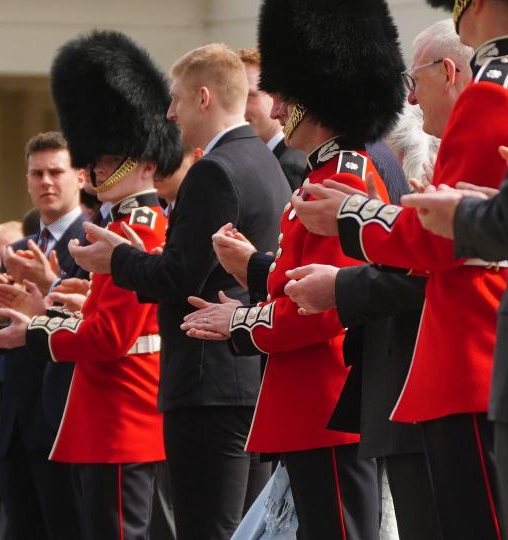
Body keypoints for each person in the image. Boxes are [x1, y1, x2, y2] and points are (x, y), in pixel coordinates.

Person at [182, 0, 405, 536]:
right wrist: (255, 271)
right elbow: (299, 277)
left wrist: (238, 323)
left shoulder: (343, 178)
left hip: (326, 403)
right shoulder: (320, 175)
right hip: (309, 406)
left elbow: (322, 309)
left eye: (284, 98)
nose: (277, 111)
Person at [294, 1, 508, 536]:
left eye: (417, 80)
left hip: (470, 360)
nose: (410, 97)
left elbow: (443, 241)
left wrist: (350, 214)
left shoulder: (492, 91)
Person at [68, 42, 290, 539]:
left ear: (204, 98)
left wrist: (115, 259)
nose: (170, 114)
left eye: (176, 101)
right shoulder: (263, 159)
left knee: (207, 528)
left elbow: (178, 275)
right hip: (245, 374)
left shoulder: (214, 169)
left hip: (206, 380)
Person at [0, 30, 179, 540]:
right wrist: (46, 312)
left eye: (108, 158)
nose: (97, 167)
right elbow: (98, 320)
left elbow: (108, 337)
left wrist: (34, 329)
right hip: (113, 416)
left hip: (122, 418)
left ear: (144, 162)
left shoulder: (135, 231)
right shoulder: (126, 227)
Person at [0, 131, 88, 540]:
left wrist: (49, 291)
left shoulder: (96, 240)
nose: (46, 182)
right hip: (17, 419)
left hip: (67, 415)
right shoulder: (21, 248)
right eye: (37, 173)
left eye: (56, 172)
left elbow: (91, 320)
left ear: (80, 177)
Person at [236, 47, 306, 191]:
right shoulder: (254, 161)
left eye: (249, 96)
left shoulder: (291, 166)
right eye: (234, 97)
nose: (238, 108)